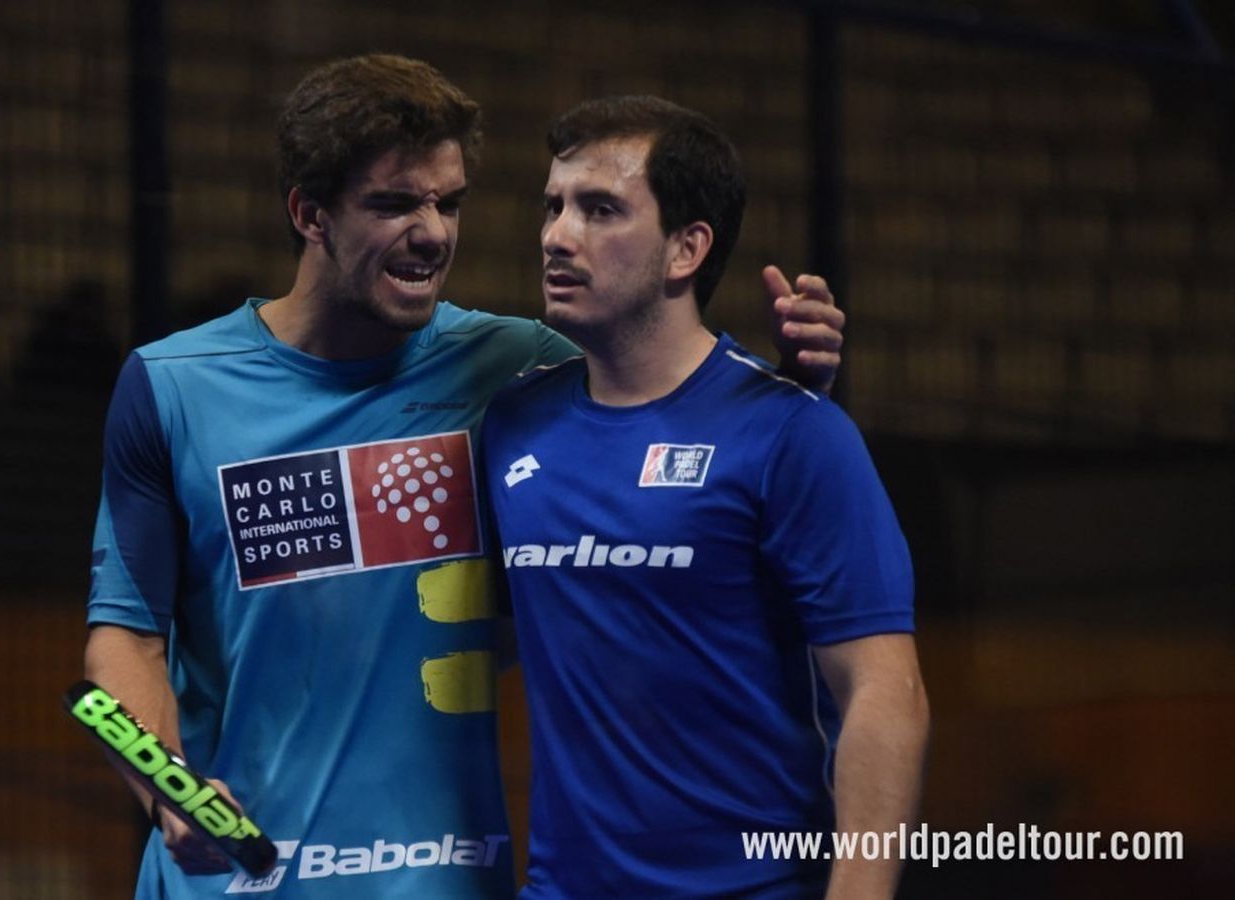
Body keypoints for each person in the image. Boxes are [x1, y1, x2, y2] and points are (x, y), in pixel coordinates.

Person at [83, 56, 846, 899]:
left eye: (449, 202)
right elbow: (124, 639)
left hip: (444, 881)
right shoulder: (172, 386)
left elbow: (677, 406)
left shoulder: (519, 372)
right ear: (309, 214)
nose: (433, 232)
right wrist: (167, 791)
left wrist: (786, 386)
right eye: (394, 203)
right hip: (235, 882)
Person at [480, 96, 928, 898]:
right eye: (553, 207)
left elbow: (882, 692)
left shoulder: (794, 435)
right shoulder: (511, 424)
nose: (557, 235)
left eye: (600, 209)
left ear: (687, 248)